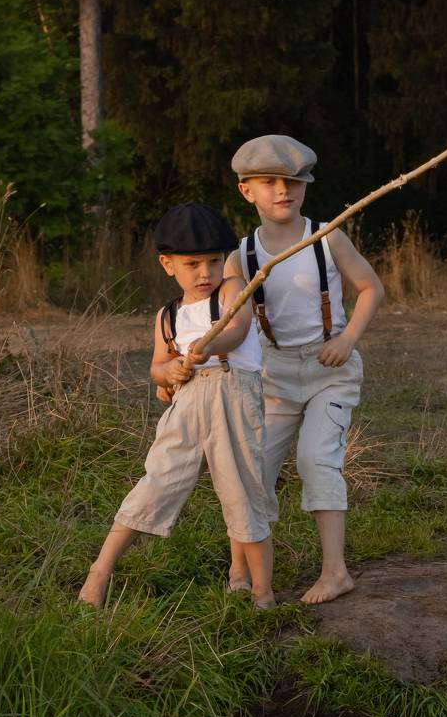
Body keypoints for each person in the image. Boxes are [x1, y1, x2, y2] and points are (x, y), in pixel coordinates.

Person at [78, 203, 275, 610]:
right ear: (168, 265)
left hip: (232, 398)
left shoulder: (231, 291)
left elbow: (237, 331)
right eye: (192, 264)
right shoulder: (167, 316)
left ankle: (260, 592)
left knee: (242, 493)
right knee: (156, 482)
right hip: (186, 408)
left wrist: (208, 345)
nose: (205, 273)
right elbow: (157, 367)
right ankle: (100, 570)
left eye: (214, 261)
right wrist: (168, 372)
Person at [226, 135, 384, 605]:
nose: (283, 190)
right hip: (273, 376)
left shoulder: (326, 237)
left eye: (293, 182)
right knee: (252, 469)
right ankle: (240, 566)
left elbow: (371, 288)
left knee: (317, 460)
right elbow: (229, 320)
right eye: (269, 182)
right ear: (246, 191)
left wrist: (347, 338)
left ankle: (336, 572)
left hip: (328, 369)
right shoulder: (241, 256)